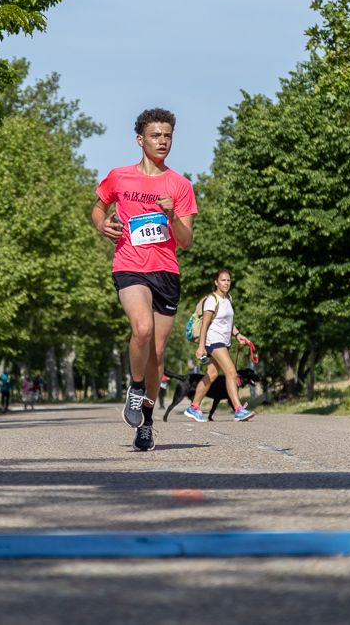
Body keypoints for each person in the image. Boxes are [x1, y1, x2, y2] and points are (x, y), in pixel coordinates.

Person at [91, 107, 197, 451]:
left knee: (158, 352)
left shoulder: (180, 185)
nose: (162, 141)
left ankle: (147, 423)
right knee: (142, 329)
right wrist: (101, 223)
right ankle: (136, 388)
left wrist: (170, 214)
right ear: (140, 139)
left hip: (166, 270)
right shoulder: (119, 177)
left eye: (167, 135)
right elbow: (98, 205)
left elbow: (185, 240)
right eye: (156, 135)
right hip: (129, 264)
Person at [186, 269, 256, 422]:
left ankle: (194, 407)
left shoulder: (228, 299)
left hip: (224, 341)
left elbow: (228, 323)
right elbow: (205, 324)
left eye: (228, 280)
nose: (226, 283)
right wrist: (201, 346)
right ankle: (238, 410)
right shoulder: (212, 299)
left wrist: (238, 335)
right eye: (223, 280)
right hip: (214, 341)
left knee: (212, 374)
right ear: (216, 282)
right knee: (231, 372)